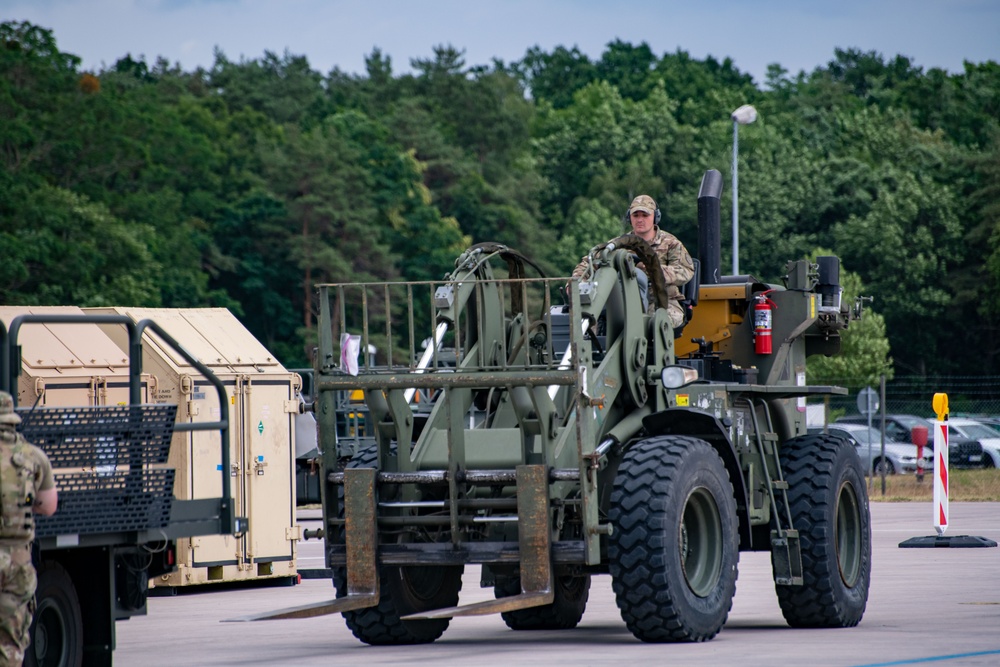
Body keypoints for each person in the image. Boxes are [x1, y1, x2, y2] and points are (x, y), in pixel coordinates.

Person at [572, 194, 695, 328]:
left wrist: (653, 269)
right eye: (636, 216)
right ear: (629, 217)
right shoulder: (618, 244)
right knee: (588, 323)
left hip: (662, 301)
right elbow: (588, 263)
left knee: (657, 324)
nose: (640, 220)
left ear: (655, 217)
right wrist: (576, 284)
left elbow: (685, 271)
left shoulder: (671, 244)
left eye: (645, 215)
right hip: (622, 302)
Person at [0, 391, 57, 666]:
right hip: (18, 563)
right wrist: (22, 503)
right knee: (10, 643)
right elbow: (48, 506)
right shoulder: (33, 456)